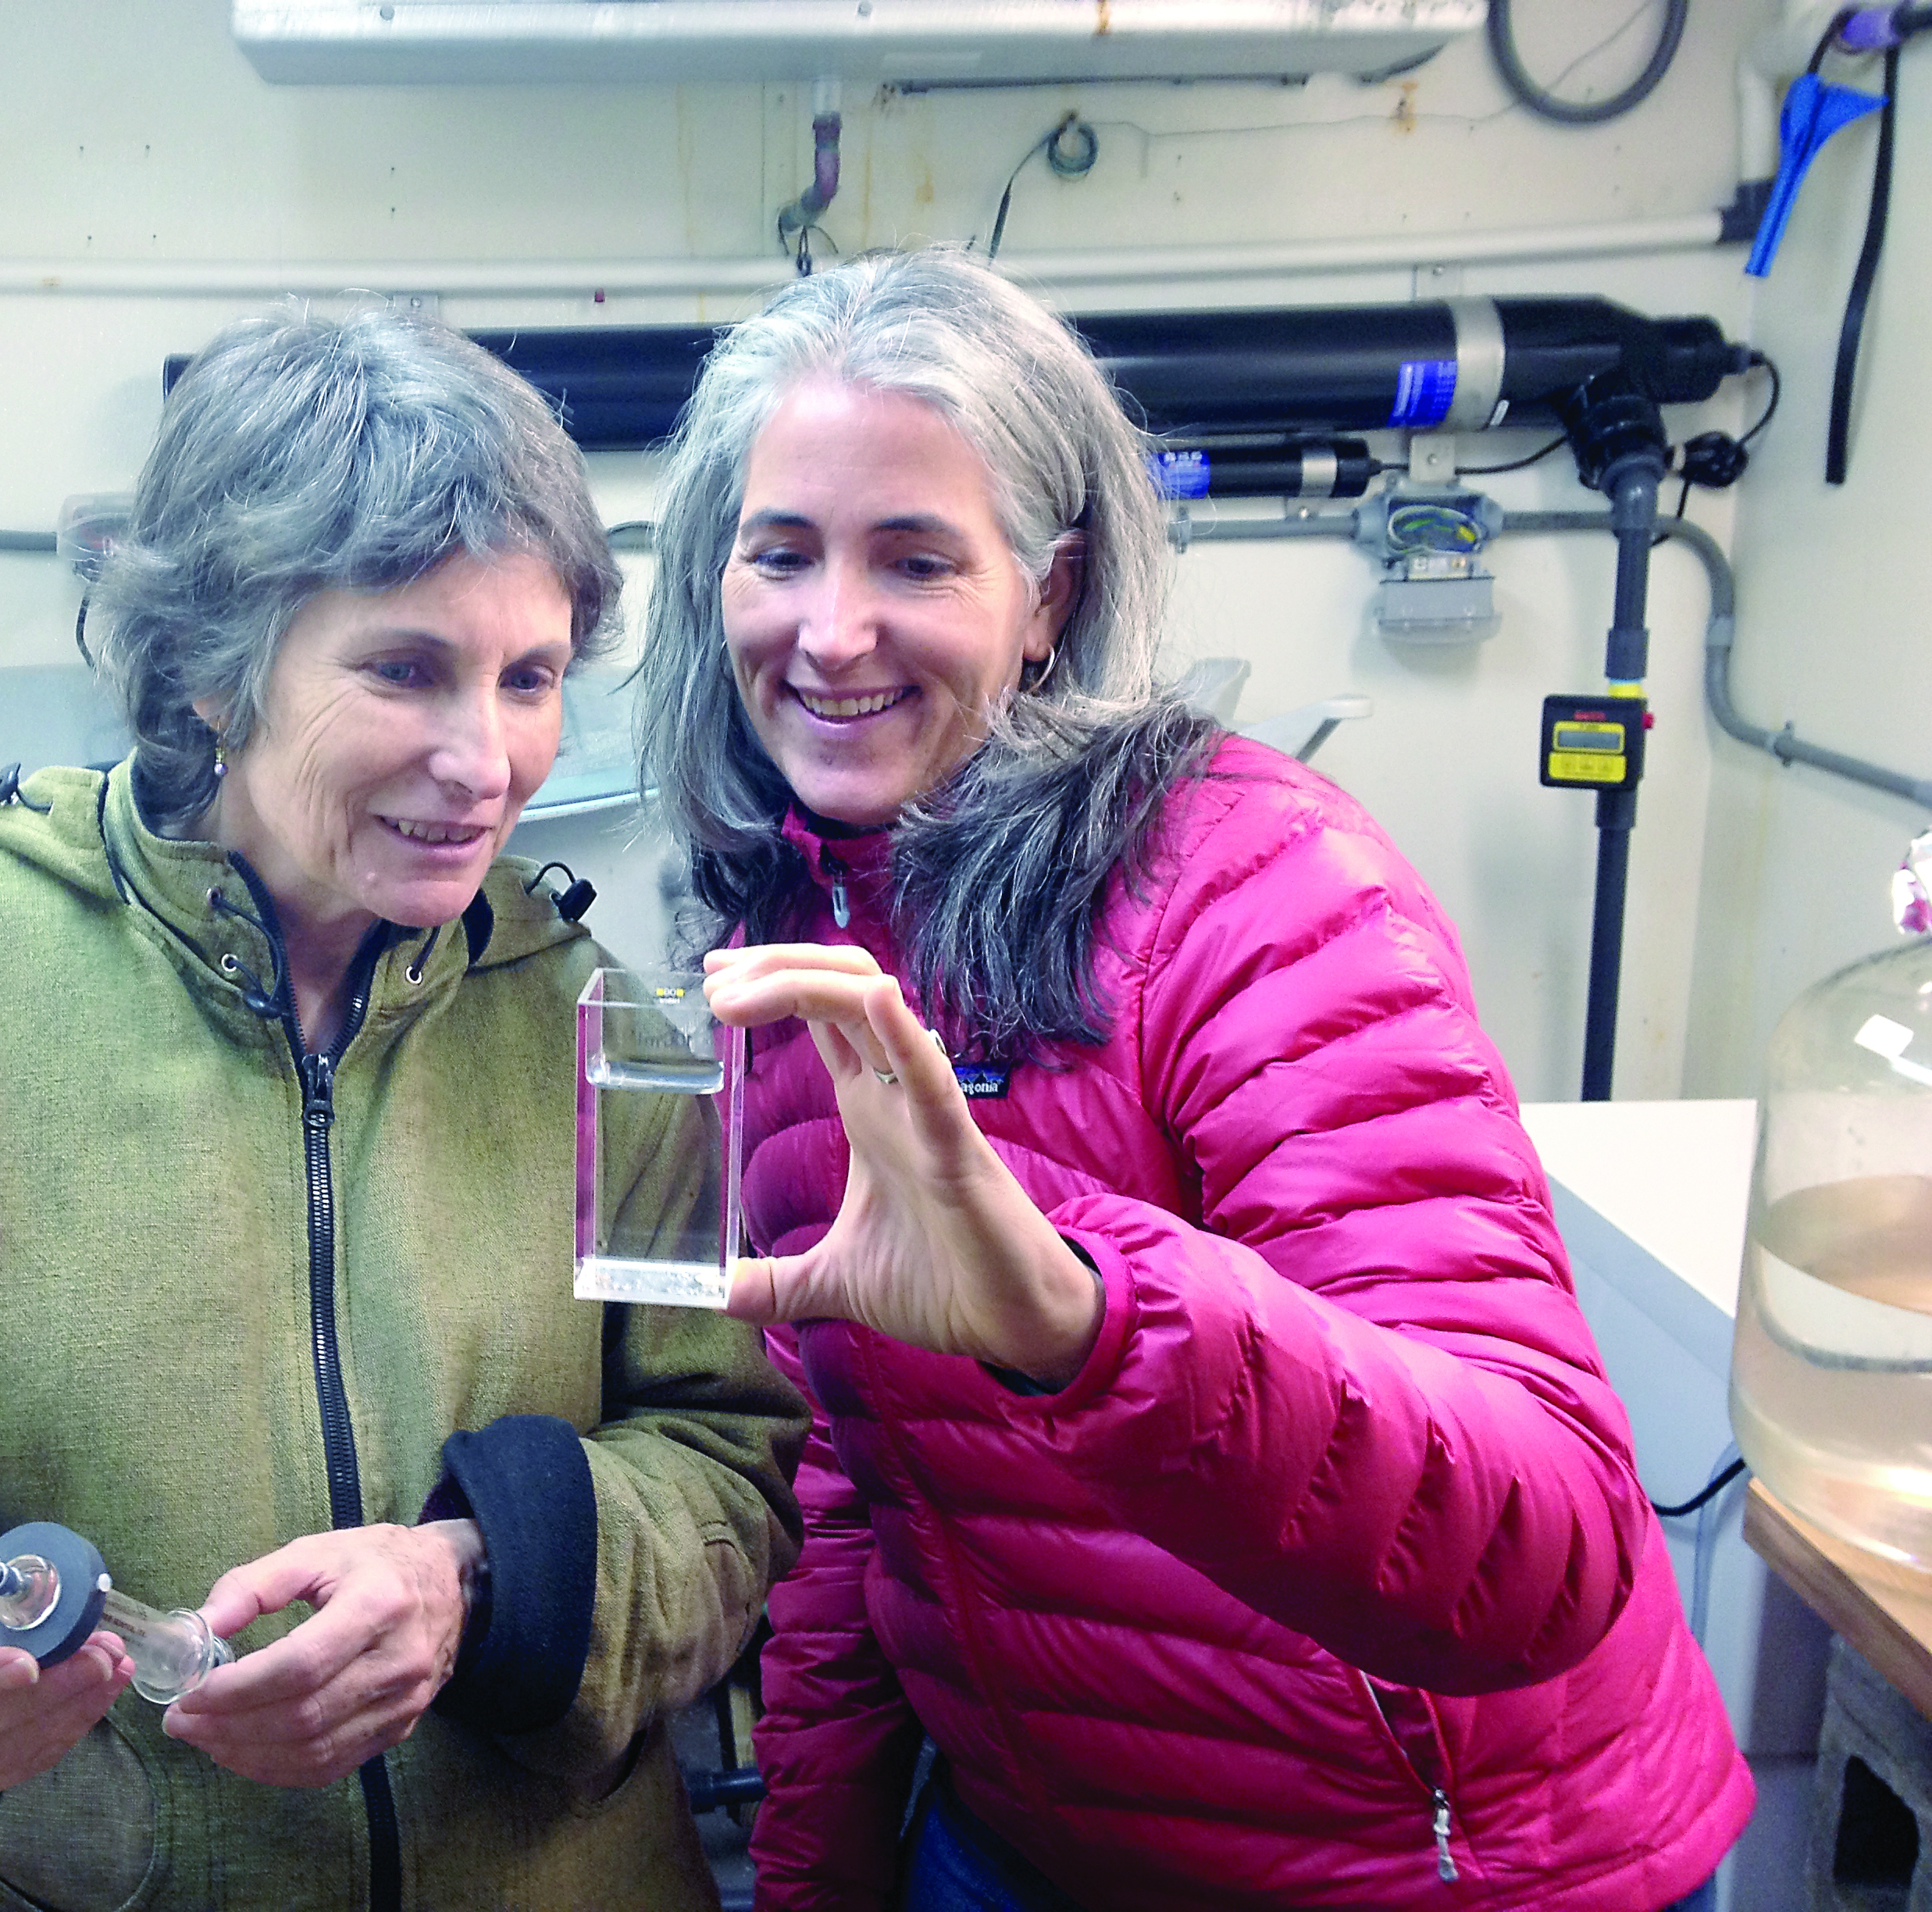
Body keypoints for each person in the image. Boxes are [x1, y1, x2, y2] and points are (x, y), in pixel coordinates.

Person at [0, 305, 805, 1912]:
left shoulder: (611, 1032)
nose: (486, 760)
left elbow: (729, 1458)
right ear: (216, 675)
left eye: (531, 674)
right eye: (405, 669)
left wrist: (484, 1584)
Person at [634, 247, 1749, 1912]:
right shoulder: (797, 934)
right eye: (778, 553)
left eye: (916, 559)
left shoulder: (1242, 882)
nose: (830, 629)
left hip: (1422, 1869)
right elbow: (866, 1502)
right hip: (1034, 1834)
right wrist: (813, 1877)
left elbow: (1549, 1548)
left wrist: (1083, 1320)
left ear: (1051, 598)